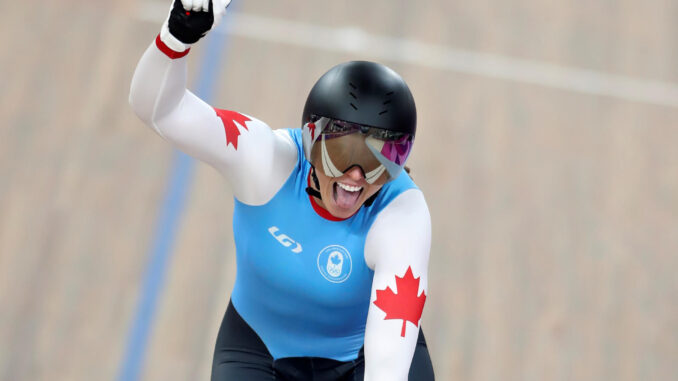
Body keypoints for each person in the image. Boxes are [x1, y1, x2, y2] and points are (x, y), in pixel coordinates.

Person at [129, 1, 434, 380]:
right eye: (341, 153)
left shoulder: (402, 211)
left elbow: (387, 364)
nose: (356, 175)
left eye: (380, 160)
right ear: (309, 140)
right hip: (259, 352)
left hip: (363, 358)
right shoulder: (263, 159)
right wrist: (175, 37)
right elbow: (159, 112)